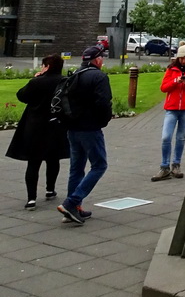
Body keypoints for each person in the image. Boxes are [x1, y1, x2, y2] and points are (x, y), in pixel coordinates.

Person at [5, 54, 70, 209]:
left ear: (46, 66)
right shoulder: (64, 82)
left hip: (35, 126)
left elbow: (22, 95)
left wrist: (36, 78)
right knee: (53, 159)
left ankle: (31, 198)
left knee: (34, 162)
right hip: (56, 125)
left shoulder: (37, 82)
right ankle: (50, 189)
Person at [57, 45, 112, 225]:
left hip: (72, 127)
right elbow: (104, 103)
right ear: (97, 60)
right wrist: (103, 121)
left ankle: (73, 209)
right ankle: (72, 202)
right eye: (101, 58)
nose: (102, 61)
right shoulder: (99, 77)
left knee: (76, 167)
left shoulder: (74, 76)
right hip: (90, 128)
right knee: (99, 165)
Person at [151, 43, 185, 181]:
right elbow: (164, 87)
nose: (183, 60)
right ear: (177, 57)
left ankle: (176, 164)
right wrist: (175, 80)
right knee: (166, 137)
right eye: (181, 58)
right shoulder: (171, 70)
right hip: (172, 108)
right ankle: (164, 166)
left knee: (180, 138)